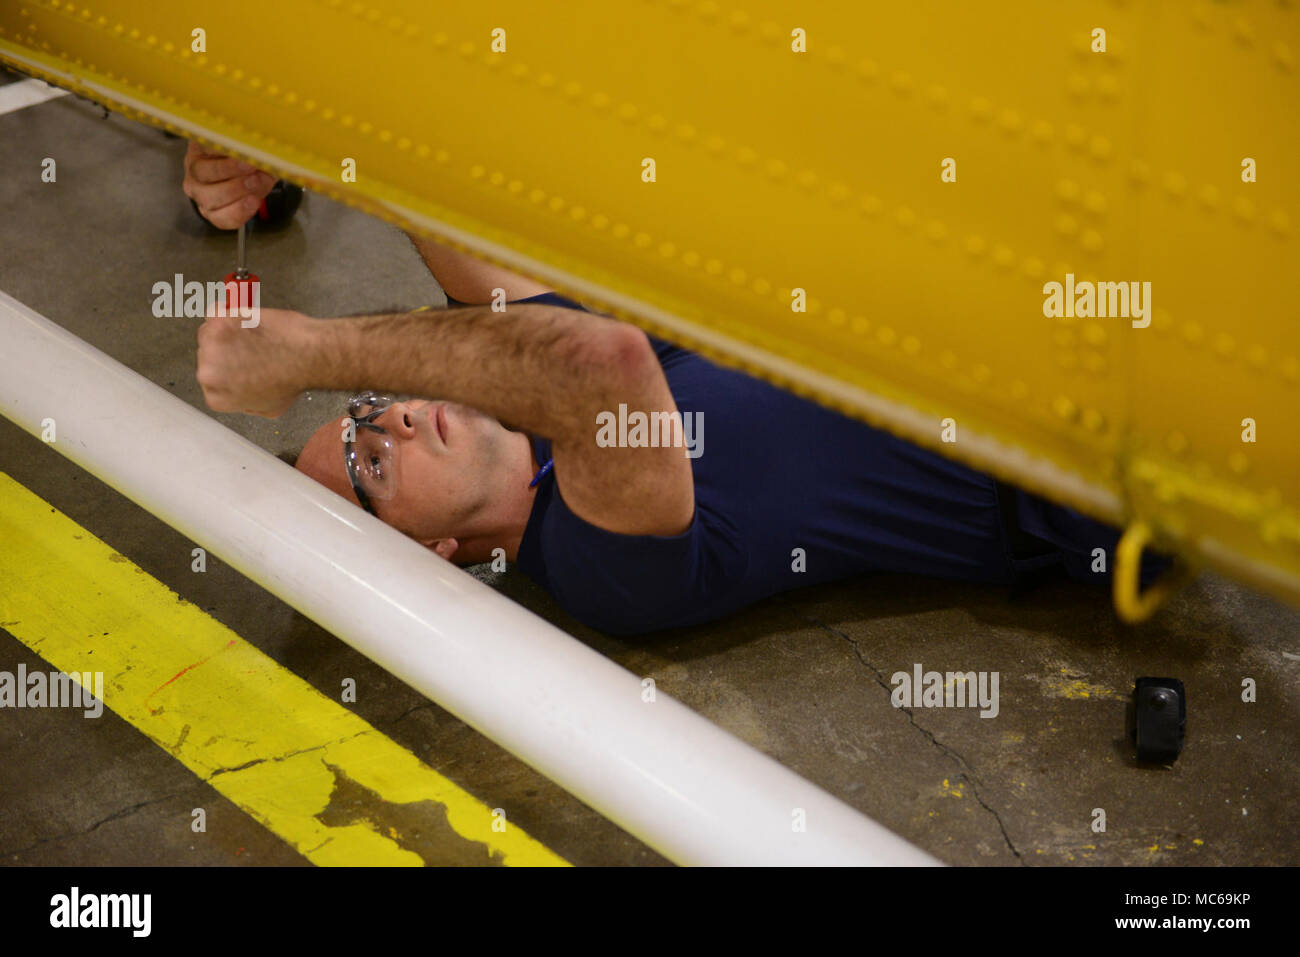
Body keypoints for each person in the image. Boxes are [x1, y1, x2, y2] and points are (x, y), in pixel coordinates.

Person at [187, 147, 1173, 637]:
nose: (391, 420)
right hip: (1103, 440)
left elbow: (415, 184)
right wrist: (314, 352)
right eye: (372, 467)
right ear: (434, 559)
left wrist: (275, 146)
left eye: (363, 416)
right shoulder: (597, 569)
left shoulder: (528, 422)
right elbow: (593, 367)